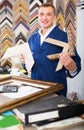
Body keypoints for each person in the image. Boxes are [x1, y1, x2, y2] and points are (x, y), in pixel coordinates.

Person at [21, 3, 81, 97]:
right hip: (35, 90)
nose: (44, 18)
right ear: (38, 16)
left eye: (48, 14)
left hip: (56, 91)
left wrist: (72, 67)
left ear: (54, 17)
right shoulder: (32, 39)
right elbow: (27, 67)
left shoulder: (64, 37)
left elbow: (76, 65)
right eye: (42, 14)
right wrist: (24, 62)